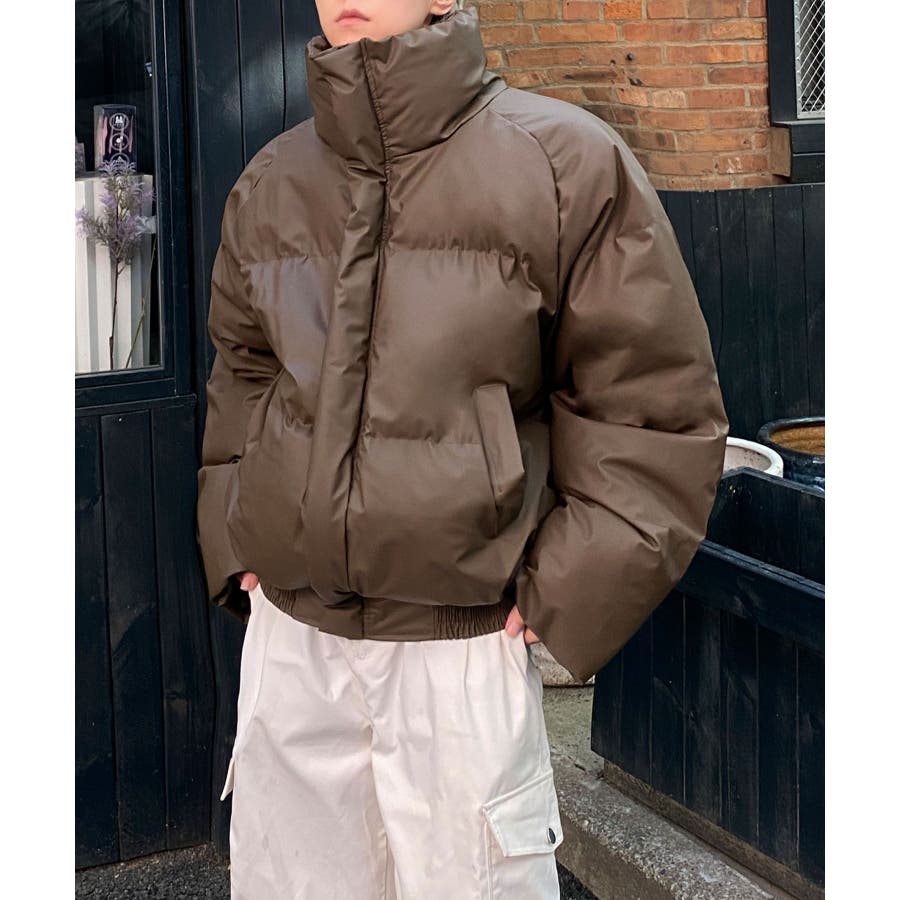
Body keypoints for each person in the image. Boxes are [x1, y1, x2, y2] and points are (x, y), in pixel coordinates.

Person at [196, 1, 730, 897]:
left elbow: (651, 408)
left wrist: (568, 594)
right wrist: (236, 537)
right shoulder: (271, 180)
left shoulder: (565, 164)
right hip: (291, 649)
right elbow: (244, 372)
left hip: (462, 652)